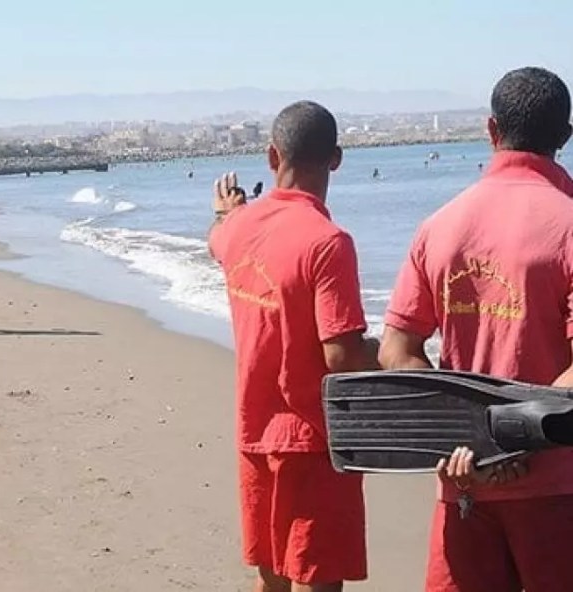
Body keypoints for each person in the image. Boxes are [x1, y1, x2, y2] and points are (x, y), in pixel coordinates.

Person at [379, 67, 573, 592]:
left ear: (491, 131)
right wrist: (515, 442)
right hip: (559, 487)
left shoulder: (439, 226)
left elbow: (397, 352)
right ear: (566, 136)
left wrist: (468, 442)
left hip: (464, 481)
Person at [209, 101, 378, 592]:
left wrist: (227, 212)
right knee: (316, 578)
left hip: (253, 430)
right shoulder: (328, 242)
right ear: (336, 159)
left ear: (271, 156)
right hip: (310, 439)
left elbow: (214, 239)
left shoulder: (236, 228)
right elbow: (341, 355)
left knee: (273, 576)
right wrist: (392, 353)